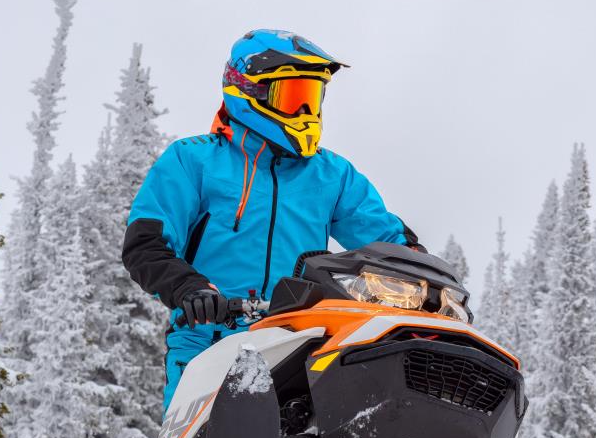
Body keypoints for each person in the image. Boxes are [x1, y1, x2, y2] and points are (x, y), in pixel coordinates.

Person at [121, 29, 421, 410]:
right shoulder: (193, 160)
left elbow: (385, 239)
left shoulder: (332, 175)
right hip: (209, 339)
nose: (304, 112)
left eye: (312, 99)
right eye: (293, 97)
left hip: (300, 343)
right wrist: (191, 289)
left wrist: (421, 271)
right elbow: (146, 245)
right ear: (248, 90)